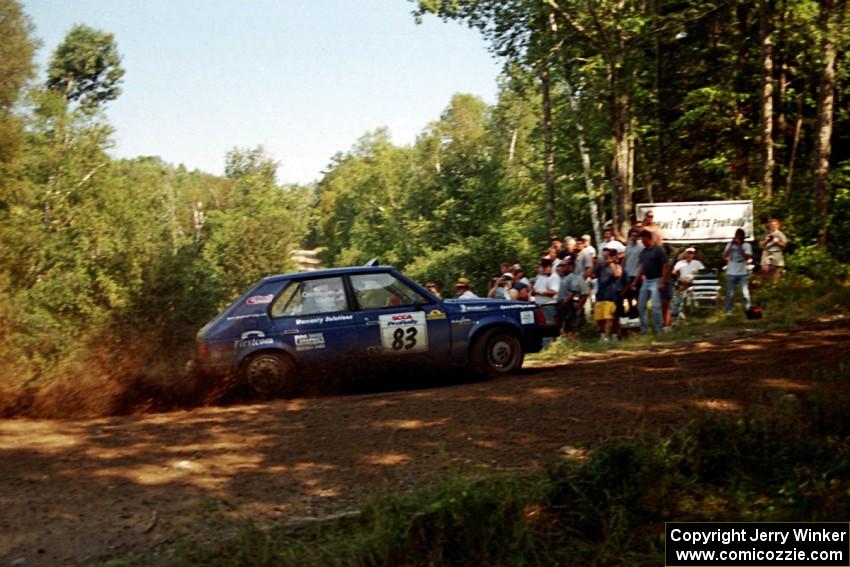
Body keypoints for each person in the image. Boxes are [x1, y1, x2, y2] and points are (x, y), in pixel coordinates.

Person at [625, 229, 669, 335]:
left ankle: (659, 330)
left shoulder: (659, 250)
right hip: (646, 280)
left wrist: (663, 281)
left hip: (656, 279)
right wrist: (635, 281)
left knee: (655, 306)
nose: (642, 242)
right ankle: (644, 330)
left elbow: (665, 265)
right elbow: (642, 266)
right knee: (640, 305)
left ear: (648, 239)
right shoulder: (644, 252)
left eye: (643, 239)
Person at [592, 247, 623, 341]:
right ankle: (602, 335)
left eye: (607, 255)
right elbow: (592, 274)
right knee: (599, 318)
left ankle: (607, 337)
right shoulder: (600, 266)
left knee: (608, 317)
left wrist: (610, 263)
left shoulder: (616, 266)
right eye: (603, 255)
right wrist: (596, 262)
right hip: (600, 295)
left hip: (610, 295)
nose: (605, 257)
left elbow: (617, 274)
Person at [722, 228, 752, 314]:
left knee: (744, 293)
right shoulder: (730, 244)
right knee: (730, 294)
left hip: (743, 272)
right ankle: (729, 310)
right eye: (736, 236)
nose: (737, 238)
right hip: (731, 271)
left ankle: (748, 309)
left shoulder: (747, 245)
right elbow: (724, 255)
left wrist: (739, 247)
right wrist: (731, 246)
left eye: (739, 236)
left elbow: (747, 257)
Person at [556, 259, 589, 337]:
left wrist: (578, 306)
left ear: (571, 267)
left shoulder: (574, 278)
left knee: (570, 327)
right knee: (562, 327)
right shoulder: (562, 278)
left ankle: (572, 342)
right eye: (560, 266)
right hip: (562, 305)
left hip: (570, 305)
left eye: (563, 266)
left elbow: (578, 293)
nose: (561, 268)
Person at [533, 258, 560, 327]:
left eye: (546, 267)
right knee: (541, 327)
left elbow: (553, 292)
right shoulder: (541, 277)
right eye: (543, 267)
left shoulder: (554, 277)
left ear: (550, 267)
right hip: (539, 306)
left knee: (548, 326)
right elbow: (534, 290)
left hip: (548, 306)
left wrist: (539, 293)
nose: (544, 269)